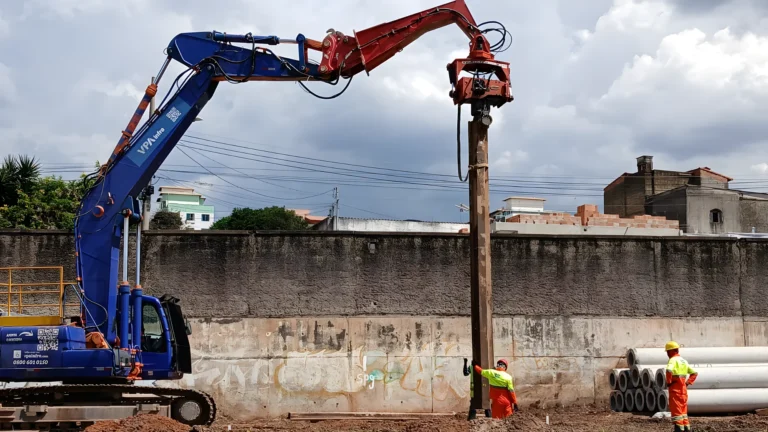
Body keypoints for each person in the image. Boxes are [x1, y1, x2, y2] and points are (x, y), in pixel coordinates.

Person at [665, 341, 697, 432]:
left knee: (677, 414)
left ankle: (679, 430)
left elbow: (668, 370)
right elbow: (694, 373)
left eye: (667, 351)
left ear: (671, 351)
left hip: (675, 390)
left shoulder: (672, 360)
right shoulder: (684, 361)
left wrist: (669, 382)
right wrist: (687, 383)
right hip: (683, 391)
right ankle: (687, 429)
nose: (667, 354)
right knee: (683, 414)